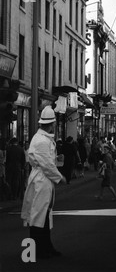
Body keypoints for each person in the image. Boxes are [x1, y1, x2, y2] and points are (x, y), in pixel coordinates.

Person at [21, 106, 66, 259]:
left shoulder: (41, 138)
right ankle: (39, 249)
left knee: (42, 214)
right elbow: (47, 164)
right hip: (42, 180)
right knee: (39, 215)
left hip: (41, 179)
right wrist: (59, 177)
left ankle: (43, 247)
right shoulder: (42, 140)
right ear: (52, 124)